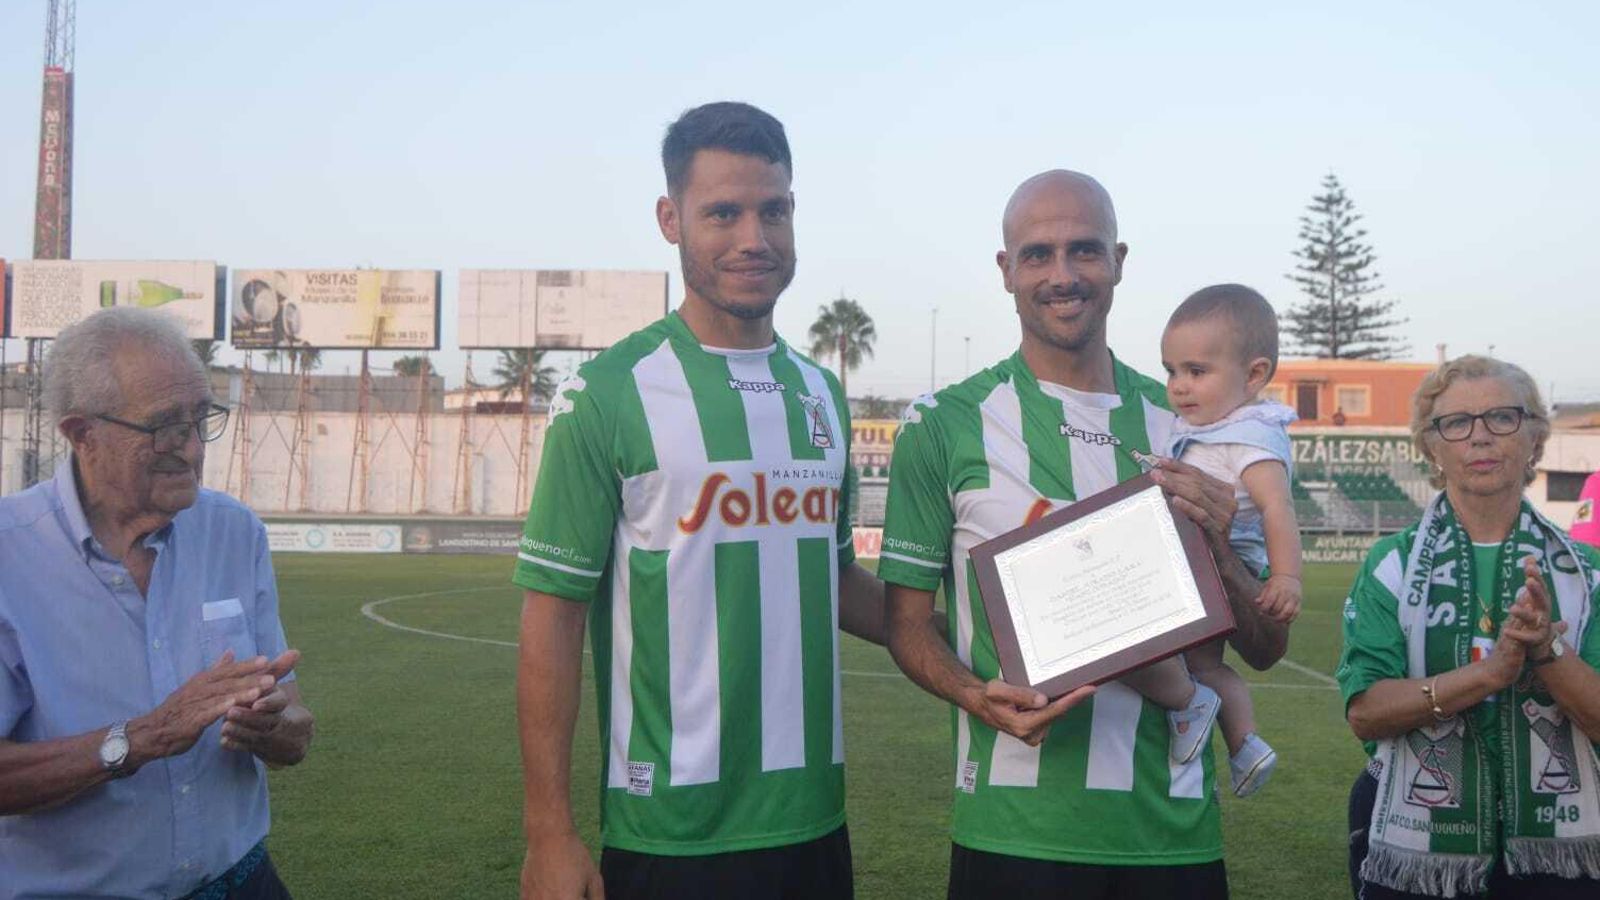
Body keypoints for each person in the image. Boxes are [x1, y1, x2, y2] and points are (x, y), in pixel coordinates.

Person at [879, 170, 1290, 899]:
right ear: (1006, 270)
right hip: (1012, 830)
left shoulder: (1188, 427)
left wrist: (1222, 549)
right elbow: (907, 627)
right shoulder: (944, 424)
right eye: (1037, 254)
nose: (1062, 275)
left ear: (1119, 261)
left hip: (1171, 837)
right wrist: (976, 697)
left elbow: (1265, 648)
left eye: (1084, 251)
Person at [514, 101, 883, 900]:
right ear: (669, 219)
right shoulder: (609, 392)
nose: (754, 238)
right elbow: (552, 612)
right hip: (669, 833)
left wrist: (982, 644)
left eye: (773, 210)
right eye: (723, 213)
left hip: (815, 821)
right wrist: (550, 830)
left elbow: (840, 579)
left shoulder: (821, 393)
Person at [0, 307, 312, 899]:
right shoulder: (10, 556)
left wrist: (273, 728)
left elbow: (296, 726)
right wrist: (143, 737)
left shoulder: (234, 531)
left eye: (202, 419)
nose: (192, 448)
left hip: (244, 883)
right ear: (81, 433)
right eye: (166, 426)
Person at [1337, 355, 1600, 899]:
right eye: (1457, 423)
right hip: (1414, 843)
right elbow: (1365, 713)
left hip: (1561, 852)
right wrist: (1487, 676)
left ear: (1534, 436)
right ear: (1432, 447)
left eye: (1502, 417)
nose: (1480, 437)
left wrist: (1547, 652)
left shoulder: (1585, 571)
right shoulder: (1392, 564)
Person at [1128, 283, 1302, 798]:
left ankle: (1186, 704)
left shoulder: (1250, 435)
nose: (1179, 386)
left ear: (1254, 375)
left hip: (1216, 560)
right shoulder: (1201, 425)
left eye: (1196, 372)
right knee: (1206, 664)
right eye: (1172, 371)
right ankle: (1245, 743)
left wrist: (1287, 577)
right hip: (1194, 555)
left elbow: (1277, 507)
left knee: (1134, 633)